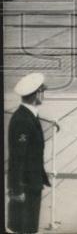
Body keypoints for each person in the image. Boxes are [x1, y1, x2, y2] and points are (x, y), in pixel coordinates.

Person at [7, 73, 51, 234]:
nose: (44, 95)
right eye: (42, 91)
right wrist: (17, 189)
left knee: (29, 227)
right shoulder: (23, 120)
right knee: (25, 229)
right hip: (26, 186)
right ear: (37, 94)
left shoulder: (29, 115)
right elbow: (18, 158)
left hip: (32, 184)